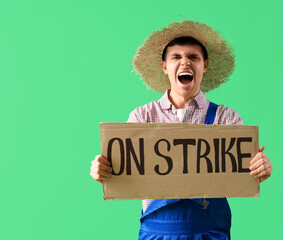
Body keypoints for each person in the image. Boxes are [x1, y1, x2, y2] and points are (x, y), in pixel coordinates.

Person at [90, 20, 273, 239]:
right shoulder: (142, 118)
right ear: (165, 66)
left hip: (210, 232)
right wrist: (102, 170)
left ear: (204, 65)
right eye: (176, 57)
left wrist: (260, 168)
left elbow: (246, 171)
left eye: (193, 57)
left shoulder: (227, 119)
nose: (185, 62)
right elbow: (122, 169)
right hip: (157, 233)